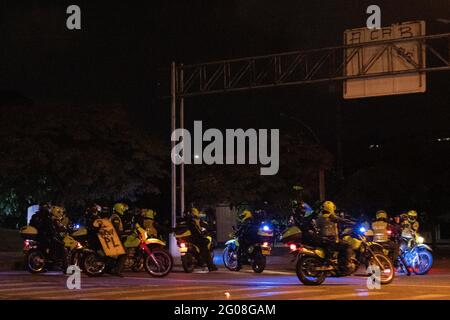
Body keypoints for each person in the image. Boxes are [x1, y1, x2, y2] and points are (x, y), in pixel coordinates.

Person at [316, 200, 353, 273]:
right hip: (331, 240)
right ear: (331, 208)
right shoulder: (331, 216)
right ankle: (345, 265)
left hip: (323, 240)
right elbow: (342, 220)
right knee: (347, 245)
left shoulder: (319, 217)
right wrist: (353, 223)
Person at [185, 207, 217, 271]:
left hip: (188, 239)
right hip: (196, 238)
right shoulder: (194, 221)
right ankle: (210, 266)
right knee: (205, 248)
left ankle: (200, 262)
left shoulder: (186, 220)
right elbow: (199, 230)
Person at [109, 202, 131, 277]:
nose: (124, 211)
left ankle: (113, 268)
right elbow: (116, 230)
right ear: (119, 209)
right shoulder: (116, 218)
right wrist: (125, 233)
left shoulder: (114, 216)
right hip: (115, 238)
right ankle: (117, 270)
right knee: (125, 253)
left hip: (113, 238)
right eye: (123, 209)